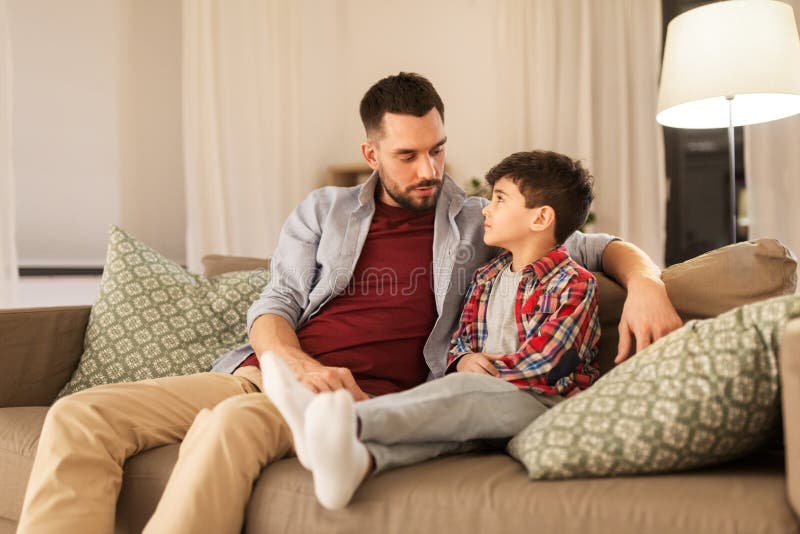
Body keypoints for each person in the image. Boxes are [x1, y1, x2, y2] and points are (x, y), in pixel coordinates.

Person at [16, 73, 681, 534]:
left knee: (230, 429)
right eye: (409, 154)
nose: (429, 169)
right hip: (264, 371)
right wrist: (294, 361)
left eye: (438, 148)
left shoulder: (478, 221)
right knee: (83, 413)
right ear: (372, 152)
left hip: (358, 397)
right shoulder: (323, 211)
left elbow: (588, 243)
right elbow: (274, 302)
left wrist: (647, 281)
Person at [262, 149, 603, 509]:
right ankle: (358, 464)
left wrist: (478, 377)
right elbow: (463, 337)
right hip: (482, 402)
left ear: (541, 218)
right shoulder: (486, 277)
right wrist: (463, 359)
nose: (486, 209)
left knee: (465, 395)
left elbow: (546, 363)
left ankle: (345, 419)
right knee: (442, 434)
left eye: (500, 200)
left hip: (543, 402)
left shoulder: (572, 284)